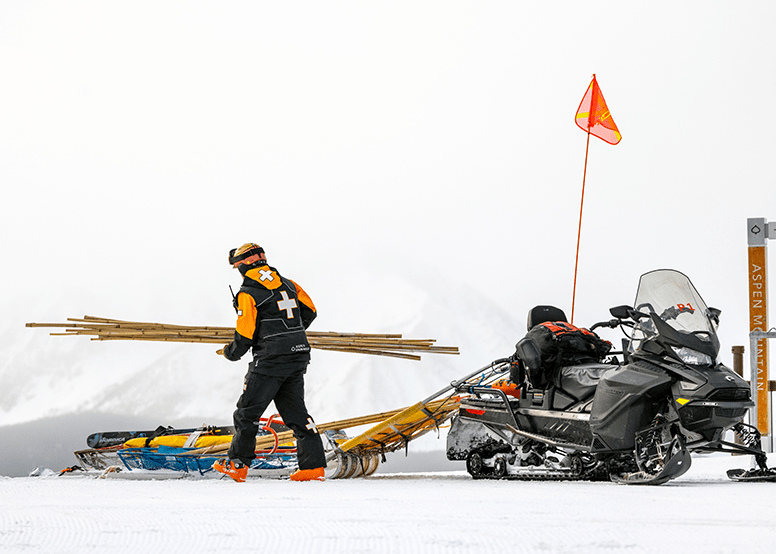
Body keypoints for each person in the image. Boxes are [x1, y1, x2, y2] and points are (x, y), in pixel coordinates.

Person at [214, 243, 326, 482]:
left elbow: (244, 335)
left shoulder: (248, 291)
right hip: (297, 354)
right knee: (297, 413)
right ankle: (312, 467)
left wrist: (229, 353)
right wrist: (289, 334)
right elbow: (310, 311)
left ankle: (237, 464)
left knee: (247, 413)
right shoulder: (289, 283)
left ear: (242, 265)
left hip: (270, 360)